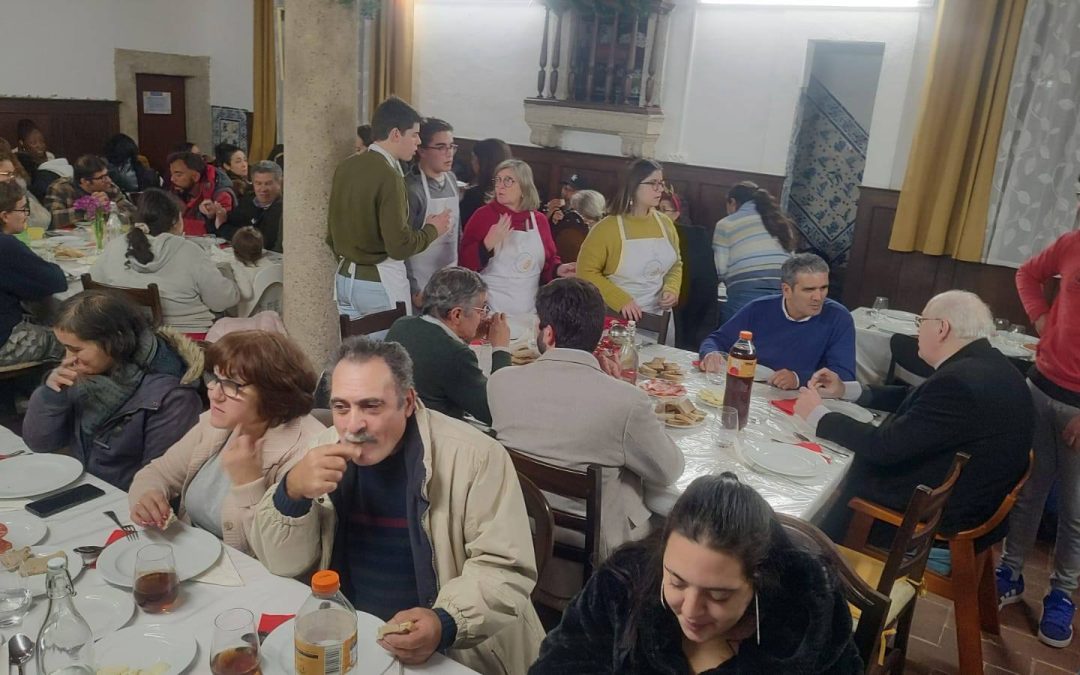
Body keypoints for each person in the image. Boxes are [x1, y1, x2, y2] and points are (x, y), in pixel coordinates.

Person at [249, 337, 545, 673]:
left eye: (371, 406)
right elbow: (281, 564)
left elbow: (505, 566)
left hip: (446, 652)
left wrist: (445, 621)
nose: (353, 425)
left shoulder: (476, 457)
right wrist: (291, 493)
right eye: (341, 407)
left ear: (407, 402)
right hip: (351, 637)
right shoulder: (320, 450)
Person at [530, 473, 862, 674]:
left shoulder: (809, 620)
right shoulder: (621, 584)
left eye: (718, 595)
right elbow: (560, 662)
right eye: (676, 582)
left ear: (758, 581)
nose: (690, 610)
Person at [793, 290, 1034, 545]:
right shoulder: (986, 363)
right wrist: (847, 390)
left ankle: (814, 549)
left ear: (941, 328)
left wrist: (820, 416)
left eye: (921, 322)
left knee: (838, 475)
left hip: (931, 521)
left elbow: (884, 447)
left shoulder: (959, 383)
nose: (917, 331)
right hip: (966, 496)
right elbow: (918, 398)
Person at [489, 277, 684, 558]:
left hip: (520, 528)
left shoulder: (501, 382)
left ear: (548, 334)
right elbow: (669, 470)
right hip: (598, 546)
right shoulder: (626, 401)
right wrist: (622, 391)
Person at [128, 330, 323, 555]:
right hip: (192, 554)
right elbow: (158, 472)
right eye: (215, 379)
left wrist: (249, 483)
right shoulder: (217, 424)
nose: (214, 394)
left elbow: (281, 556)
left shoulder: (306, 451)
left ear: (273, 393)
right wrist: (148, 496)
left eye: (231, 385)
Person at [23, 290, 203, 490]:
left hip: (125, 497)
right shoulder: (83, 374)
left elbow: (159, 480)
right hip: (83, 484)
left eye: (76, 349)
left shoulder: (173, 397)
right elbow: (39, 443)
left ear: (114, 341)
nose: (68, 358)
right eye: (65, 347)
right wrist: (51, 395)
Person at [996, 229, 1080, 648]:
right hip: (1041, 386)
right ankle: (1010, 572)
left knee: (1075, 509)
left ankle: (1062, 594)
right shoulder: (1072, 242)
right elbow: (1027, 274)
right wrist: (1042, 318)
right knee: (1028, 490)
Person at [327, 96, 452, 325]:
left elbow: (330, 237)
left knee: (356, 348)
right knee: (390, 349)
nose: (418, 142)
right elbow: (399, 246)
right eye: (414, 134)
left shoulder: (346, 166)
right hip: (379, 284)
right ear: (395, 134)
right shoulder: (389, 175)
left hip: (344, 280)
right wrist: (433, 229)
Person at [90, 188, 240, 335]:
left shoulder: (116, 245)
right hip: (187, 339)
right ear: (175, 221)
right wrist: (228, 275)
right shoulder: (188, 250)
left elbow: (93, 288)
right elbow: (221, 302)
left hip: (130, 335)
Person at [699, 253, 854, 389]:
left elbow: (844, 376)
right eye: (809, 290)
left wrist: (798, 378)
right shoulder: (759, 308)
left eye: (823, 288)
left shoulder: (838, 317)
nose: (818, 297)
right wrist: (711, 354)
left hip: (803, 397)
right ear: (786, 290)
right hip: (753, 389)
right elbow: (716, 340)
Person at [576, 158, 682, 344]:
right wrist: (620, 300)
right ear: (633, 186)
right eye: (653, 183)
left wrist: (672, 289)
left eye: (661, 183)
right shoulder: (607, 228)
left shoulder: (665, 223)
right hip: (617, 319)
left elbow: (676, 264)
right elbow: (585, 271)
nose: (660, 189)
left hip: (660, 318)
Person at [386, 267, 510, 424]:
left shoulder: (401, 324)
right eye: (482, 309)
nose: (484, 316)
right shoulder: (456, 355)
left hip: (396, 423)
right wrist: (501, 348)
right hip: (434, 433)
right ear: (457, 315)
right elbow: (497, 413)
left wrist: (466, 336)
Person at [459, 159, 570, 318]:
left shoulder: (538, 220)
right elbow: (463, 265)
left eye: (508, 181)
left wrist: (558, 269)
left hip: (529, 313)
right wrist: (486, 245)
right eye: (498, 180)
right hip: (490, 312)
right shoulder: (483, 216)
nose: (500, 186)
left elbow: (548, 261)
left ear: (524, 187)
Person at [0, 181, 65, 366]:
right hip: (6, 343)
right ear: (5, 216)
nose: (26, 215)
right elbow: (56, 281)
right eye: (22, 209)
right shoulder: (6, 246)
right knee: (82, 341)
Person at [714, 181, 798, 323]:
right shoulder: (781, 222)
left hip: (746, 291)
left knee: (733, 333)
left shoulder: (726, 224)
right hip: (784, 292)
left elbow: (720, 269)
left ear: (732, 202)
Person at [405, 118, 460, 305]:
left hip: (450, 277)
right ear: (421, 150)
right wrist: (413, 289)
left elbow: (457, 231)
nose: (449, 153)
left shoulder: (452, 179)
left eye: (451, 146)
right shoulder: (412, 189)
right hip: (421, 280)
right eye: (441, 147)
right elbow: (403, 245)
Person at [665, 188, 720, 351]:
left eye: (663, 210)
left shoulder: (693, 238)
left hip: (689, 311)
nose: (658, 215)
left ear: (676, 214)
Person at [44, 155, 137, 229]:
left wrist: (111, 208)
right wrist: (87, 209)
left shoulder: (109, 187)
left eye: (107, 175)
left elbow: (134, 213)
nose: (108, 180)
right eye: (102, 178)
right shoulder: (60, 188)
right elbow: (51, 220)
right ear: (85, 181)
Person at [218, 161, 284, 253]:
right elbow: (225, 226)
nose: (263, 189)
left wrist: (224, 229)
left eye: (268, 183)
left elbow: (262, 242)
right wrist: (213, 217)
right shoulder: (247, 202)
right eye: (258, 183)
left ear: (279, 183)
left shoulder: (283, 209)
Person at [168, 151, 237, 236]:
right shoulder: (178, 192)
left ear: (196, 177)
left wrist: (212, 216)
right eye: (171, 174)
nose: (172, 179)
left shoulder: (222, 195)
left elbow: (222, 231)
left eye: (178, 175)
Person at [459, 138, 511, 226]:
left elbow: (462, 224)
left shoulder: (474, 196)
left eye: (474, 158)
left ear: (482, 163)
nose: (472, 162)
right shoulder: (515, 190)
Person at [228, 227, 277, 317]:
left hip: (249, 316)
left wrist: (236, 266)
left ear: (235, 251)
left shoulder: (241, 270)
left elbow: (247, 294)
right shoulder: (271, 267)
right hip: (272, 311)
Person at [0, 150, 51, 230]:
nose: (12, 178)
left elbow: (43, 220)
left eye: (13, 174)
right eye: (8, 174)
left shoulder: (18, 193)